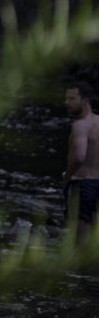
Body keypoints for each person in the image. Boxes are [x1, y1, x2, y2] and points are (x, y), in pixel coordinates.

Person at [63, 81, 99, 242]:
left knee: (79, 243)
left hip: (83, 186)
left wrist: (67, 177)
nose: (67, 103)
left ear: (85, 101)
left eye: (72, 99)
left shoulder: (80, 126)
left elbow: (79, 155)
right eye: (66, 98)